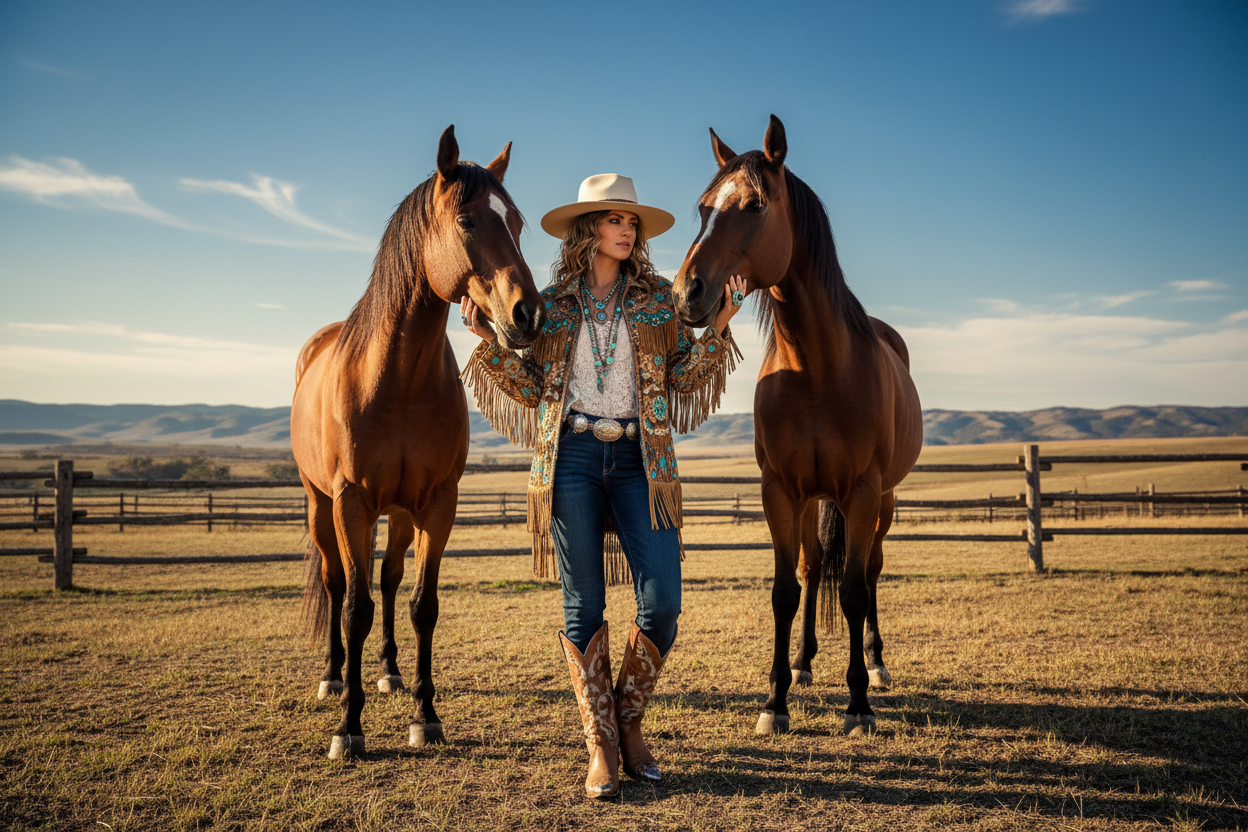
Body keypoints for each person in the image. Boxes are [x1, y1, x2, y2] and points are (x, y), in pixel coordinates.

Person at [460, 173, 746, 799]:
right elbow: (536, 392)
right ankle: (603, 743)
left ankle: (629, 718)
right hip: (573, 459)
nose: (628, 230)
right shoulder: (554, 305)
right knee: (583, 606)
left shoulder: (658, 303)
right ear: (589, 229)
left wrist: (718, 327)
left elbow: (680, 377)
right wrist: (488, 339)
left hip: (646, 461)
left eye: (632, 222)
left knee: (662, 602)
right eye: (616, 220)